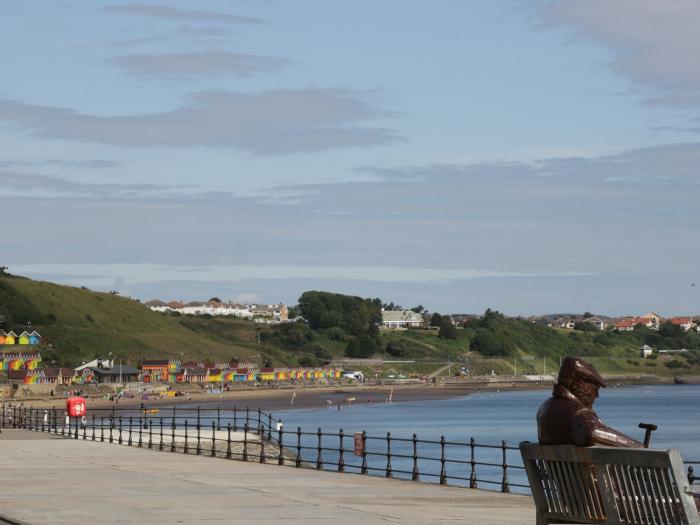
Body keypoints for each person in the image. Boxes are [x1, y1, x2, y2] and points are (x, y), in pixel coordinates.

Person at [537, 357, 642, 448]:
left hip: (555, 471)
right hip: (581, 472)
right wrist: (638, 446)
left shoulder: (544, 410)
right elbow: (591, 432)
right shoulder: (578, 413)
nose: (596, 395)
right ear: (578, 384)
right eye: (595, 389)